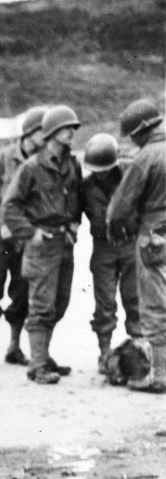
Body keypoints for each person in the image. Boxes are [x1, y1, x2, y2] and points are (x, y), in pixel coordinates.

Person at [2, 104, 84, 384]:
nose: (72, 132)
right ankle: (37, 365)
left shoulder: (72, 165)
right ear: (51, 133)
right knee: (41, 306)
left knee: (59, 304)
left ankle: (43, 356)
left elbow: (76, 200)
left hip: (64, 243)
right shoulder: (31, 168)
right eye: (67, 128)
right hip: (42, 245)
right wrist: (30, 233)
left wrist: (74, 223)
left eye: (74, 128)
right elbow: (9, 207)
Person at [0, 106, 48, 369]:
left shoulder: (42, 162)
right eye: (41, 131)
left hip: (26, 237)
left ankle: (14, 347)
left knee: (23, 291)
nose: (45, 137)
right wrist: (0, 223)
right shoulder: (2, 159)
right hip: (0, 237)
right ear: (29, 133)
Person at [108, 98, 166, 394]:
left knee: (155, 306)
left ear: (141, 131)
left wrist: (116, 229)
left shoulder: (146, 158)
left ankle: (159, 376)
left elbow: (119, 208)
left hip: (154, 238)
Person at [80, 133, 142, 377]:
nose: (101, 174)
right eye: (97, 171)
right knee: (104, 304)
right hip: (103, 248)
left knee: (134, 299)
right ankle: (105, 354)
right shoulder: (85, 187)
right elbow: (73, 213)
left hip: (130, 245)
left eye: (105, 169)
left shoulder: (130, 174)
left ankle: (140, 349)